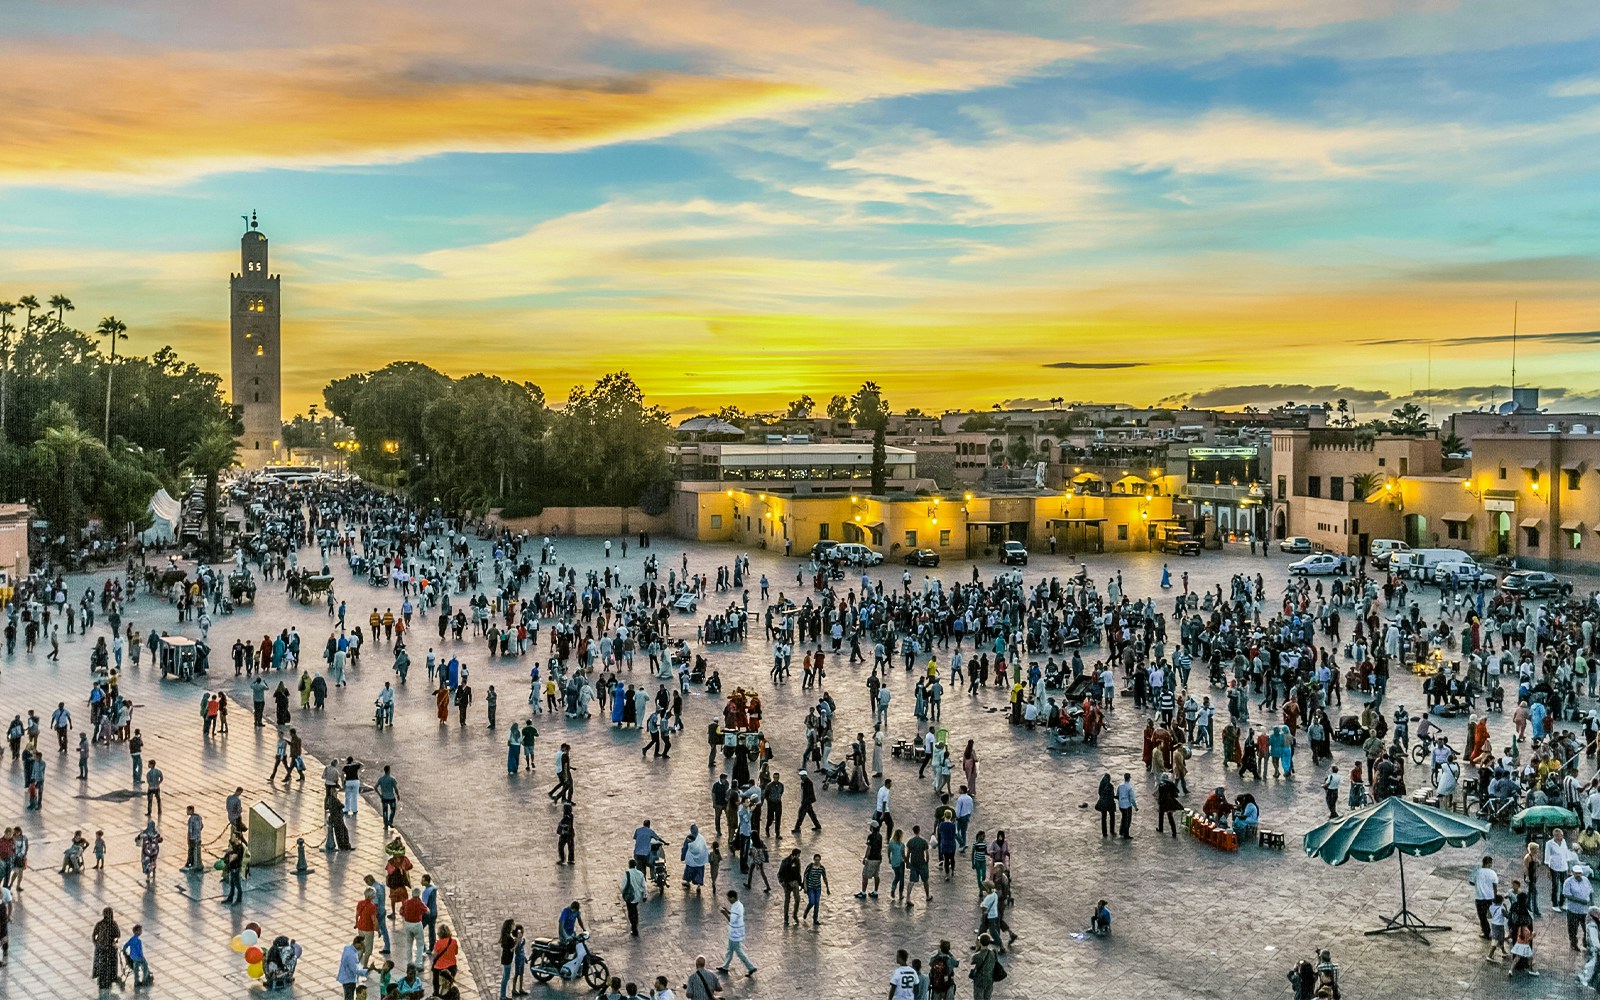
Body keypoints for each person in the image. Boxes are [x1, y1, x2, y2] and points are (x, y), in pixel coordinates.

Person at [717, 890, 756, 976]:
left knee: (738, 951)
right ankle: (725, 966)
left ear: (733, 898)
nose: (728, 900)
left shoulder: (736, 907)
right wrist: (727, 911)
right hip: (736, 932)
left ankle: (751, 967)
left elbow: (731, 920)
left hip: (735, 933)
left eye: (729, 898)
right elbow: (734, 915)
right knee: (730, 950)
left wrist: (724, 914)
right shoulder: (738, 905)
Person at [92, 907, 121, 991]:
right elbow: (118, 935)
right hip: (105, 948)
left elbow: (117, 936)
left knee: (104, 963)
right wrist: (96, 944)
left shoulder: (105, 924)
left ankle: (107, 979)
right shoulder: (107, 924)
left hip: (104, 948)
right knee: (106, 964)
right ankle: (108, 978)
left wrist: (96, 943)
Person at [1472, 855, 1499, 939]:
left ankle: (1486, 932)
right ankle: (1494, 930)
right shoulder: (1493, 873)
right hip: (1490, 897)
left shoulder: (1477, 872)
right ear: (1490, 863)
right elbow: (1495, 886)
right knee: (1492, 915)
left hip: (1480, 897)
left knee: (1482, 916)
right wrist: (1495, 896)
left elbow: (1472, 882)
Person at [967, 934, 998, 1000]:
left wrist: (977, 948)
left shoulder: (978, 956)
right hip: (990, 979)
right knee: (987, 997)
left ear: (980, 942)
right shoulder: (993, 952)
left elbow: (972, 961)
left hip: (979, 981)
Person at [122, 923, 151, 987]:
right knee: (145, 966)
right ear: (136, 931)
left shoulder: (132, 939)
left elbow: (126, 945)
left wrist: (124, 950)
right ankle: (145, 980)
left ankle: (136, 982)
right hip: (138, 957)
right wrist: (142, 956)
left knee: (136, 969)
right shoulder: (138, 941)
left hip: (133, 957)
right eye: (140, 930)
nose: (141, 932)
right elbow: (139, 951)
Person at [338, 935, 365, 1000]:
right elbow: (355, 970)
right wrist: (366, 971)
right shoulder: (352, 955)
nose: (362, 947)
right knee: (349, 997)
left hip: (346, 977)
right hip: (349, 980)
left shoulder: (348, 948)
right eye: (361, 945)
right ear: (357, 944)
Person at [1116, 773, 1136, 839]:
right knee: (1127, 820)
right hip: (1127, 806)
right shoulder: (1129, 787)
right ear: (1129, 778)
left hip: (1121, 805)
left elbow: (1117, 795)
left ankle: (1121, 831)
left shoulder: (1120, 785)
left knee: (1123, 818)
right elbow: (1132, 799)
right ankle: (1126, 834)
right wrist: (1135, 806)